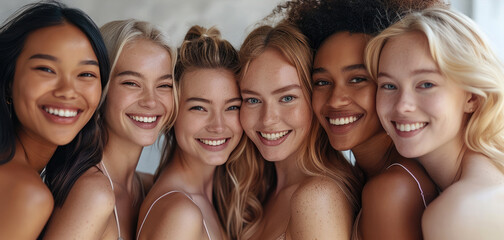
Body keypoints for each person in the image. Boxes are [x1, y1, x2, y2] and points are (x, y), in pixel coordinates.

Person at [276, 0, 441, 239]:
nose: (335, 100)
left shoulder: (392, 189)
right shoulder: (364, 176)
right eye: (322, 82)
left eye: (357, 79)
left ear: (389, 85)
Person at [366, 7, 504, 239]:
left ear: (472, 97)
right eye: (389, 85)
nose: (402, 105)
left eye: (426, 84)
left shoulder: (458, 212)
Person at [220, 21, 361, 240]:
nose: (268, 119)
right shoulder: (262, 190)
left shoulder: (317, 198)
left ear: (313, 99)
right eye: (253, 99)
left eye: (287, 98)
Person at [43, 19, 175, 239]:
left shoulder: (149, 186)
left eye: (164, 85)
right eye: (131, 83)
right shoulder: (92, 193)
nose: (151, 101)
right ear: (100, 89)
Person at [0, 1, 108, 239]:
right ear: (9, 81)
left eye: (86, 74)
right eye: (46, 69)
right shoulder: (24, 192)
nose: (68, 91)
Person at [136, 25, 244, 240]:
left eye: (232, 107)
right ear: (173, 111)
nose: (218, 126)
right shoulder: (180, 213)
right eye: (199, 107)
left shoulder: (211, 199)